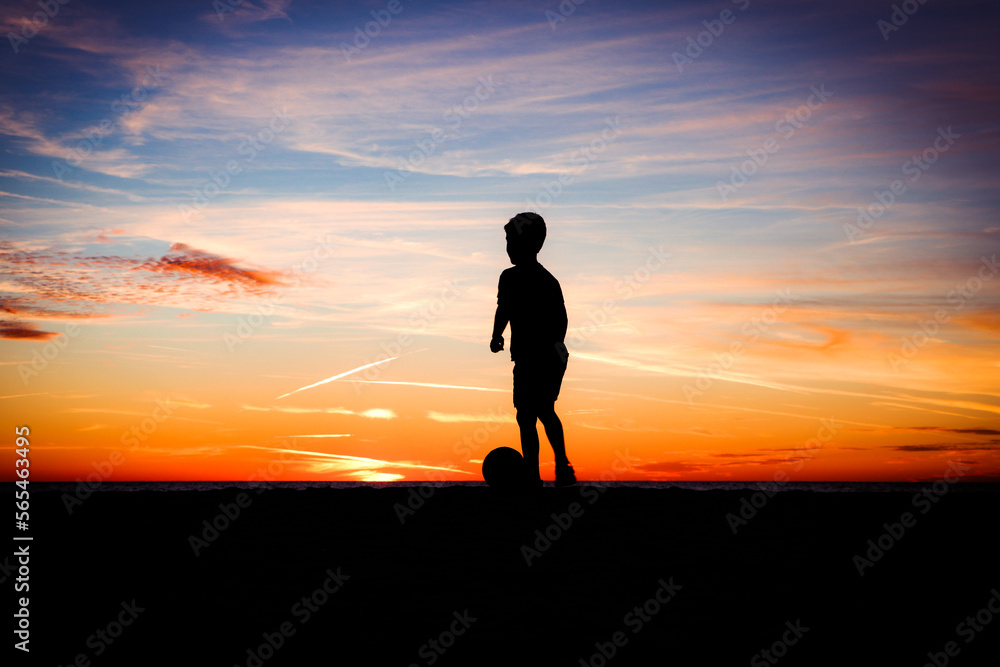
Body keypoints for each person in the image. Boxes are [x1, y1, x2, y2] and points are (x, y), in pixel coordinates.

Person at [491, 212, 576, 488]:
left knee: (532, 413)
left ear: (530, 243)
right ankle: (549, 470)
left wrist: (550, 348)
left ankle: (546, 471)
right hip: (535, 356)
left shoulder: (542, 281)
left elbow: (561, 320)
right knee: (538, 412)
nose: (508, 247)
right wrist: (497, 335)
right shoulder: (517, 278)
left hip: (543, 356)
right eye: (507, 241)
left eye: (511, 240)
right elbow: (504, 310)